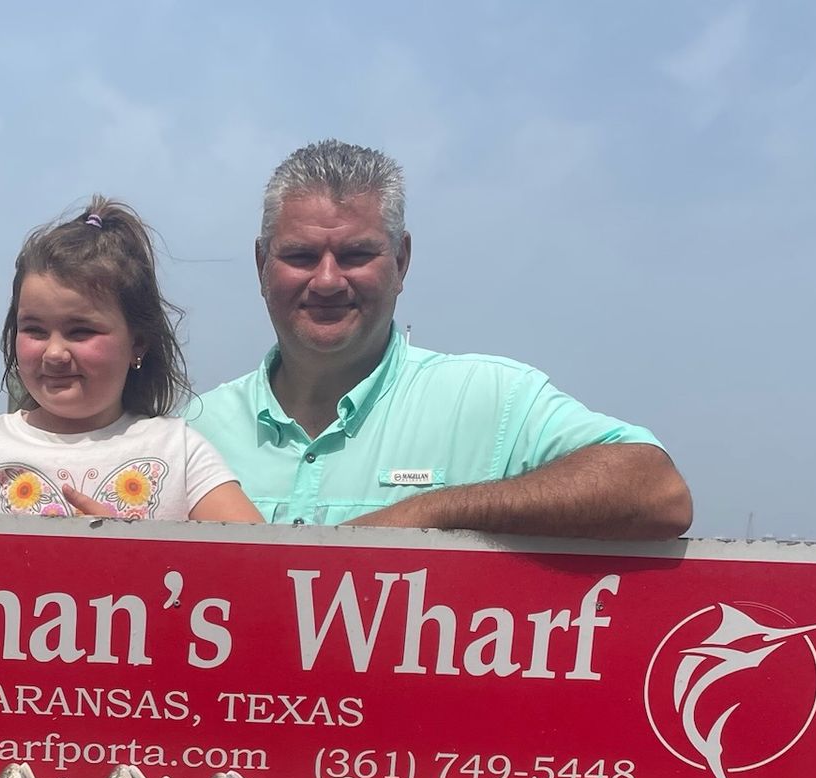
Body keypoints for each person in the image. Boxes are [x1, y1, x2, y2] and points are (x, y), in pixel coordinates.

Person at [189, 139, 691, 537]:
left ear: (402, 261)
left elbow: (656, 489)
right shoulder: (190, 431)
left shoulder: (492, 401)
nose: (326, 280)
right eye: (299, 256)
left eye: (356, 255)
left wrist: (424, 516)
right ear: (261, 265)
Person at [0, 198, 260, 523]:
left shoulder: (180, 450)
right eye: (35, 330)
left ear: (138, 343)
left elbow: (264, 560)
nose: (54, 353)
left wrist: (130, 554)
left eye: (80, 331)